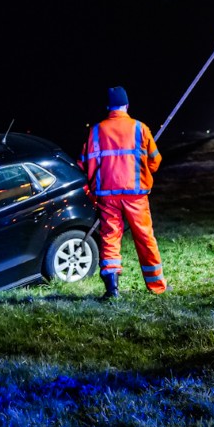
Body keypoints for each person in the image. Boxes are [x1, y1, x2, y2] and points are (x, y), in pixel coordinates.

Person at [80, 85, 166, 300]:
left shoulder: (96, 131)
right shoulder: (140, 128)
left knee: (110, 237)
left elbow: (84, 164)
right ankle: (156, 286)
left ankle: (112, 289)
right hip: (135, 194)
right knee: (145, 237)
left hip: (107, 195)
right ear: (127, 105)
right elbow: (155, 161)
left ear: (108, 106)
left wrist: (91, 189)